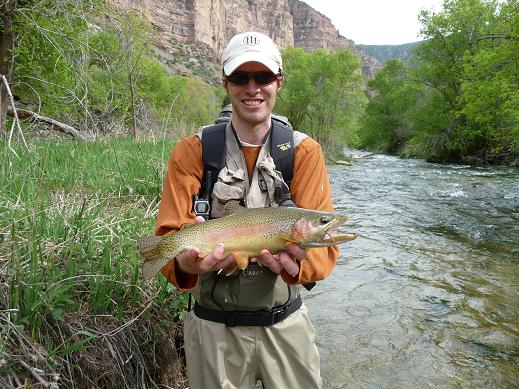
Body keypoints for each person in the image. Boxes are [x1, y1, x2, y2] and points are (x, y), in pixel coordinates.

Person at [155, 31, 339, 389]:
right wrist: (186, 261)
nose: (252, 87)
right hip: (214, 329)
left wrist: (299, 262)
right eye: (241, 77)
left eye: (263, 77)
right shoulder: (192, 151)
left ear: (278, 83)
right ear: (225, 83)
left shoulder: (304, 152)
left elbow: (326, 252)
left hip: (286, 325)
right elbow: (169, 244)